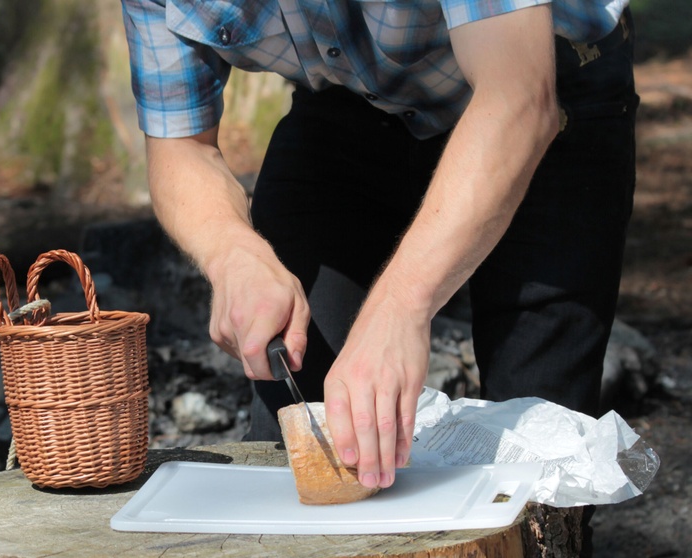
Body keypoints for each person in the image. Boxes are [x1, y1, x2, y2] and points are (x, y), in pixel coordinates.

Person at [120, 0, 638, 493]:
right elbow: (179, 149)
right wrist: (231, 251)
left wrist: (400, 305)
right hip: (347, 101)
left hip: (539, 80)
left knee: (543, 462)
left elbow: (517, 97)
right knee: (298, 445)